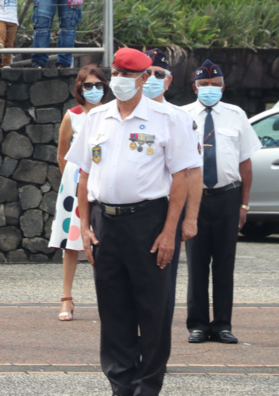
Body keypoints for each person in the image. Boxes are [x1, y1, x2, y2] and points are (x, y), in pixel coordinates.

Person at [65, 47, 200, 396]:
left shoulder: (169, 119)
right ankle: (121, 385)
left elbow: (182, 178)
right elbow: (83, 175)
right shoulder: (96, 117)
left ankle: (147, 387)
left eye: (129, 75)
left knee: (153, 310)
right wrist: (85, 226)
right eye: (117, 74)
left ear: (144, 79)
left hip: (149, 222)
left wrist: (171, 231)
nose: (121, 81)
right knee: (113, 310)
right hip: (105, 221)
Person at [182, 60, 261, 345]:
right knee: (197, 263)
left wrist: (244, 205)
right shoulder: (182, 116)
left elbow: (245, 162)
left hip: (228, 196)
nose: (209, 90)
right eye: (204, 85)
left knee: (225, 263)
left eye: (215, 85)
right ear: (195, 87)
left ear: (223, 88)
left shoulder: (236, 115)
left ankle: (223, 324)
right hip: (195, 198)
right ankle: (198, 325)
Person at [142, 48, 204, 327]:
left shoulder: (179, 119)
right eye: (147, 73)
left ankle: (153, 353)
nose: (152, 78)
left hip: (163, 213)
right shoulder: (117, 114)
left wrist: (189, 219)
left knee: (159, 286)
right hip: (125, 214)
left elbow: (192, 173)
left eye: (159, 74)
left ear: (168, 82)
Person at [47, 64, 109, 321]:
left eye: (98, 85)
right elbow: (62, 154)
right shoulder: (71, 115)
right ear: (80, 88)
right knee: (71, 241)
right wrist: (71, 179)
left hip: (105, 179)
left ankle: (109, 298)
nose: (93, 90)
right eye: (88, 85)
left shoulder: (111, 113)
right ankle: (66, 298)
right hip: (75, 182)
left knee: (106, 239)